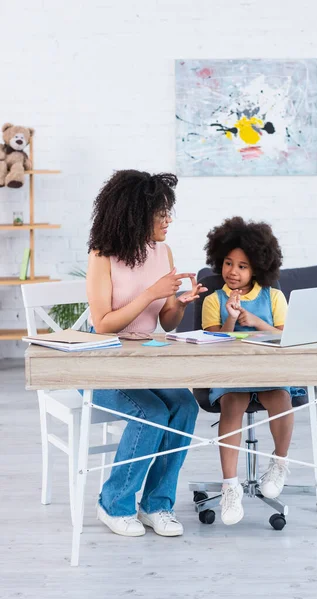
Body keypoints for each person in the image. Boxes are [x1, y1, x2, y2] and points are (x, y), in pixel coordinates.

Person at [86, 169, 204, 538]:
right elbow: (103, 323)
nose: (168, 220)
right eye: (160, 212)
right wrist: (151, 292)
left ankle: (157, 504)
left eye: (168, 211)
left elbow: (167, 323)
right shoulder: (103, 255)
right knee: (150, 412)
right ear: (136, 214)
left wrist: (180, 304)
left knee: (185, 406)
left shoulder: (163, 251)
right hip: (100, 361)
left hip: (144, 359)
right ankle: (114, 503)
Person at [202, 216, 294, 526]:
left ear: (256, 268)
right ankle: (230, 485)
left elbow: (286, 336)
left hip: (269, 373)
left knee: (281, 398)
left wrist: (255, 322)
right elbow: (212, 343)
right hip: (231, 373)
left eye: (242, 266)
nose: (233, 271)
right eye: (228, 263)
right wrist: (230, 318)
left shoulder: (274, 297)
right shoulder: (213, 300)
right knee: (232, 405)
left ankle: (279, 463)